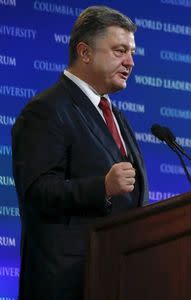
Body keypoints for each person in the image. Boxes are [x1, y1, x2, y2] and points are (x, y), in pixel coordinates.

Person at [11, 6, 149, 300]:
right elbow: (37, 191)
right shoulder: (46, 110)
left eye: (132, 53)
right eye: (119, 51)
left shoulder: (114, 115)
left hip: (115, 279)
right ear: (85, 53)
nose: (130, 62)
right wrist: (102, 187)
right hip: (66, 284)